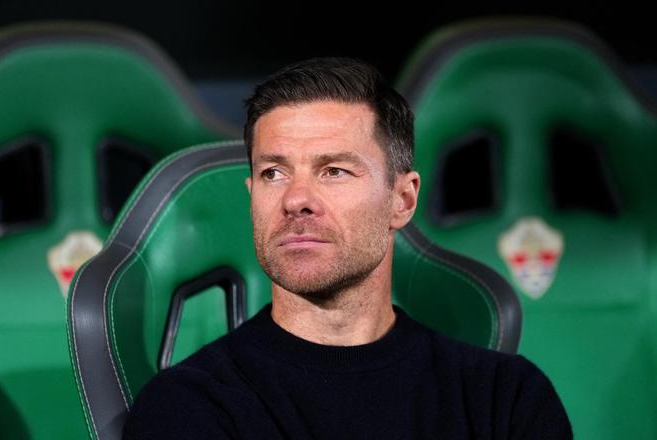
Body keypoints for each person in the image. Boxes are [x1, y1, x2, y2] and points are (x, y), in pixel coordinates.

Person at [123, 57, 572, 439]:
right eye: (273, 173)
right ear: (252, 194)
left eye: (334, 171)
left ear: (402, 200)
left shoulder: (506, 399)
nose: (296, 199)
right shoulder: (187, 407)